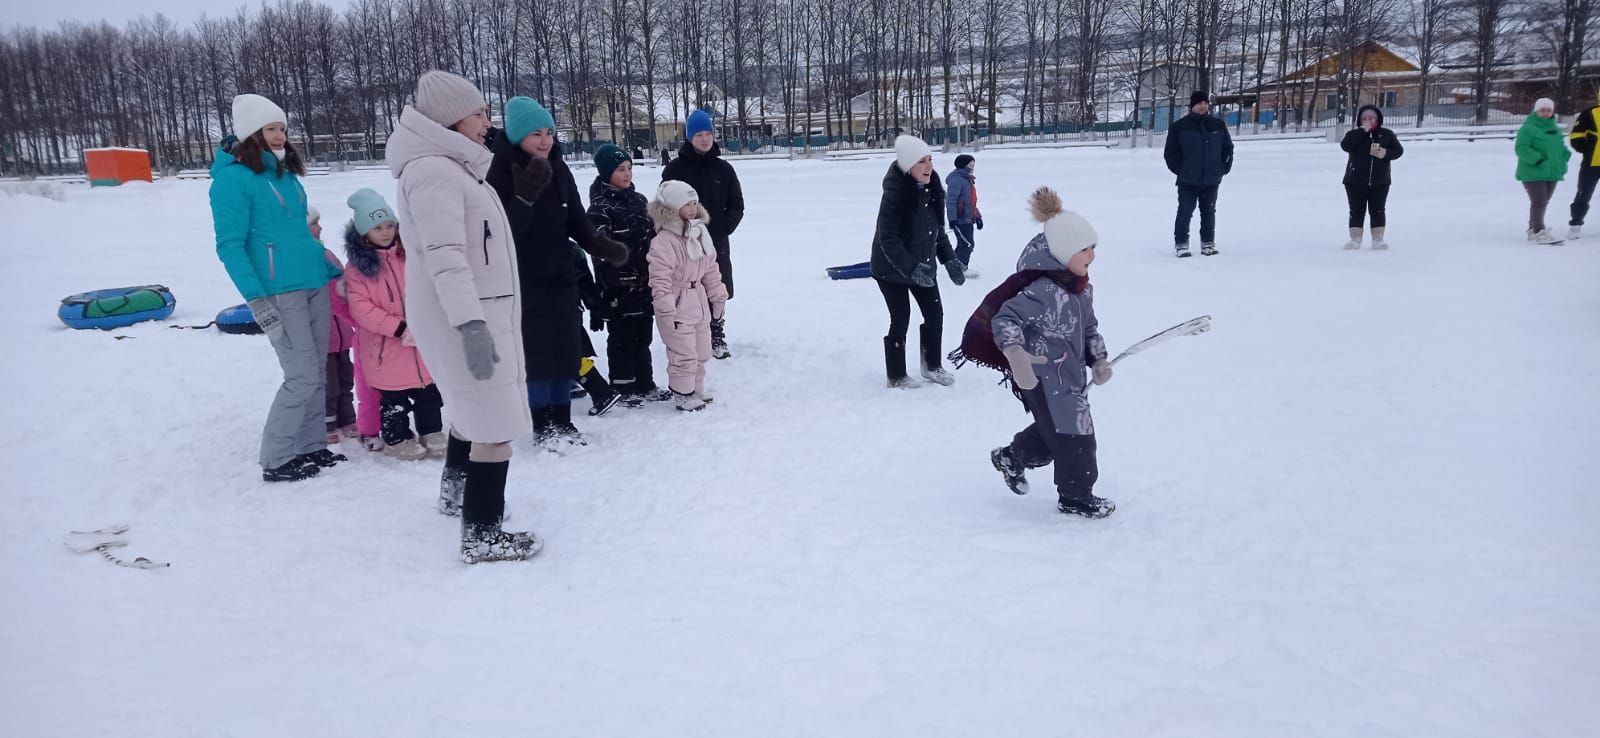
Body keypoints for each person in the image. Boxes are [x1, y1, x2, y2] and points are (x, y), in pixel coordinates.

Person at [385, 70, 540, 563]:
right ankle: (482, 534)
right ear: (452, 118)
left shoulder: (450, 167)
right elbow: (445, 257)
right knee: (493, 421)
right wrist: (470, 325)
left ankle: (455, 496)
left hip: (473, 309)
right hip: (465, 315)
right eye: (479, 113)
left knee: (471, 410)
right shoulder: (433, 172)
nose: (487, 123)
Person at [210, 93, 345, 483]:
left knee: (316, 369)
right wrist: (256, 299)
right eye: (271, 128)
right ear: (252, 133)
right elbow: (230, 246)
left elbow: (300, 236)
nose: (280, 135)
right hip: (278, 291)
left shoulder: (285, 176)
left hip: (313, 283)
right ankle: (276, 456)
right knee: (300, 373)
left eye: (283, 128)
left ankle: (311, 445)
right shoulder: (231, 181)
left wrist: (333, 273)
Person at [486, 96, 628, 451]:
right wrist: (525, 196)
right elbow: (501, 234)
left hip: (561, 272)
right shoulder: (498, 173)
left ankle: (563, 421)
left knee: (565, 349)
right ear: (517, 136)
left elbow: (575, 219)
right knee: (538, 355)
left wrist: (600, 245)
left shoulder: (560, 169)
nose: (545, 140)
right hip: (523, 276)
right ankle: (543, 424)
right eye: (536, 133)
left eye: (549, 132)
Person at [983, 188, 1114, 518]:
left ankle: (1013, 456)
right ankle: (1075, 496)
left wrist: (1099, 359)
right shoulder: (1043, 291)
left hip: (1069, 375)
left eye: (1093, 247)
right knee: (1076, 435)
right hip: (1041, 375)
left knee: (1054, 432)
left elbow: (1089, 328)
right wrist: (1015, 354)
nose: (1092, 256)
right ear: (1063, 252)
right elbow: (1006, 319)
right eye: (1084, 249)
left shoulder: (1080, 290)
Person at [341, 188, 445, 460]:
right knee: (394, 400)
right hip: (385, 348)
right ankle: (398, 438)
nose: (386, 232)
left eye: (389, 225)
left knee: (428, 393)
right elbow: (362, 309)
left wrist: (427, 318)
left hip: (420, 342)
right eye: (378, 227)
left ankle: (432, 432)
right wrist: (398, 328)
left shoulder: (409, 256)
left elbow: (427, 286)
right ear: (365, 233)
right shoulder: (358, 269)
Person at [870, 135, 966, 389]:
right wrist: (911, 268)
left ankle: (932, 365)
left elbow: (938, 233)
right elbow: (887, 239)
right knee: (901, 317)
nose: (928, 166)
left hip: (923, 266)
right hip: (890, 270)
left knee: (935, 314)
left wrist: (950, 261)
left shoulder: (933, 191)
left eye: (930, 159)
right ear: (907, 166)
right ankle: (897, 375)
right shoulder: (895, 196)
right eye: (921, 161)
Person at [587, 143, 670, 406]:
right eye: (620, 169)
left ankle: (645, 383)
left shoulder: (639, 201)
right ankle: (623, 387)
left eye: (629, 168)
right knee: (622, 338)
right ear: (606, 173)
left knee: (643, 336)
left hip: (644, 283)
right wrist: (615, 276)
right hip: (618, 287)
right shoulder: (600, 207)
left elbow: (655, 235)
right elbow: (598, 248)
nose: (627, 174)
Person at [662, 109, 745, 359]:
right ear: (689, 137)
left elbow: (737, 204)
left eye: (708, 133)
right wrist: (682, 230)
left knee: (717, 288)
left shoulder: (724, 169)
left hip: (716, 242)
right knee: (689, 287)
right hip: (685, 242)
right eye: (699, 134)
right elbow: (664, 204)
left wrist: (722, 227)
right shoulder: (675, 169)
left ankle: (716, 332)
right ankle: (691, 334)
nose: (705, 138)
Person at [648, 181, 729, 412]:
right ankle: (683, 394)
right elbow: (659, 275)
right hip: (677, 301)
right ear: (673, 207)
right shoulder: (664, 241)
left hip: (698, 300)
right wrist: (664, 304)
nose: (693, 208)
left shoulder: (699, 233)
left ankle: (696, 389)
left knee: (701, 350)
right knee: (682, 351)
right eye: (687, 204)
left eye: (695, 203)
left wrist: (718, 295)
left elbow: (711, 268)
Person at [1163, 91, 1234, 257]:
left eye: (1205, 103)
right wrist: (1182, 170)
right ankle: (1181, 244)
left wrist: (1224, 167)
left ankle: (1208, 243)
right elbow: (1170, 153)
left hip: (1211, 179)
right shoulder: (1179, 127)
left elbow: (1227, 148)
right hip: (1188, 180)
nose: (1202, 106)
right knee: (1185, 212)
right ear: (1192, 106)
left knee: (1208, 212)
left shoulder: (1218, 125)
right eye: (1199, 103)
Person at [312, 206, 358, 445]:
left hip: (342, 332)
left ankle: (347, 417)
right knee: (328, 383)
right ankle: (326, 421)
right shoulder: (301, 259)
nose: (320, 228)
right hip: (323, 335)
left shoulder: (328, 254)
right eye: (314, 223)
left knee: (345, 378)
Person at [1339, 105, 1404, 250]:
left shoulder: (1386, 134)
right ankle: (1355, 239)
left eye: (1371, 118)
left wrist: (1384, 153)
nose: (1368, 121)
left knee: (1378, 210)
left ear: (1378, 119)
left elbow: (1398, 151)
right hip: (1355, 181)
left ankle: (1378, 240)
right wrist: (1362, 131)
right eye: (1364, 118)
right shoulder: (1355, 134)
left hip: (1380, 181)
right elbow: (1345, 145)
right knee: (1356, 210)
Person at [1517, 98, 1570, 245]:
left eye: (1549, 110)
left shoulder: (1554, 129)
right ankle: (1539, 231)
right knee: (1539, 201)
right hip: (1533, 171)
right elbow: (1521, 148)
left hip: (1552, 172)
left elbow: (1559, 147)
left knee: (1543, 201)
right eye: (1542, 110)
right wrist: (1538, 159)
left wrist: (1565, 155)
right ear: (1536, 111)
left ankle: (1532, 228)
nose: (1546, 113)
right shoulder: (1528, 128)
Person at [1567, 89, 1600, 240]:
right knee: (1583, 194)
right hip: (1591, 163)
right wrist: (1587, 149)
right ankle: (1575, 224)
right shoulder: (1589, 113)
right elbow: (1576, 135)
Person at [944, 154, 983, 278]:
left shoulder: (967, 180)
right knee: (966, 244)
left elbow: (970, 202)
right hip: (960, 219)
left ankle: (956, 267)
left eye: (973, 165)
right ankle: (960, 269)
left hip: (968, 218)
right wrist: (952, 218)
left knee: (967, 243)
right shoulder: (957, 180)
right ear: (963, 166)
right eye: (970, 165)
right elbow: (951, 201)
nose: (972, 168)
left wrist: (977, 216)